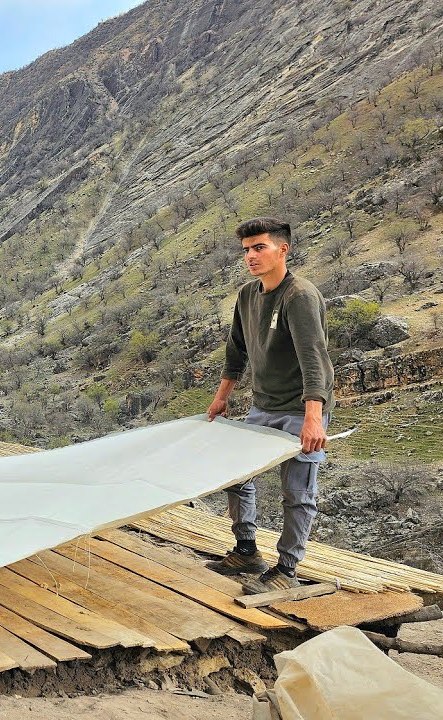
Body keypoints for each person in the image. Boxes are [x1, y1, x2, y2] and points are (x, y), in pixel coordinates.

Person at [205, 217, 333, 595]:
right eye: (246, 250)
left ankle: (287, 569)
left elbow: (315, 361)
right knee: (237, 476)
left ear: (283, 250)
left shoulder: (299, 296)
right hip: (263, 405)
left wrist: (314, 419)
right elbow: (236, 351)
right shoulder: (248, 295)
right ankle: (246, 550)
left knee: (297, 491)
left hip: (301, 409)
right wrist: (222, 396)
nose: (251, 256)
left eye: (259, 247)